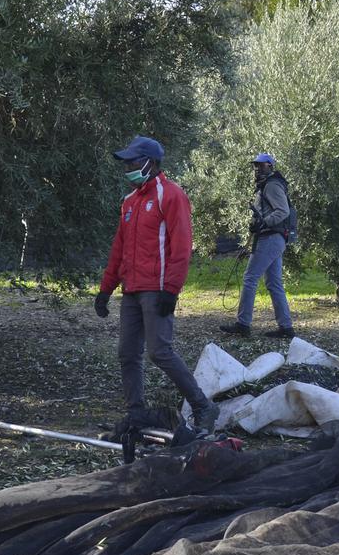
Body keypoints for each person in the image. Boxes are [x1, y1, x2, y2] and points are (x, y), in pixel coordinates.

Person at [94, 136, 219, 433]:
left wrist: (171, 290)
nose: (128, 167)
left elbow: (182, 246)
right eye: (126, 162)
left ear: (150, 162)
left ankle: (203, 406)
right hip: (132, 290)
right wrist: (105, 290)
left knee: (159, 352)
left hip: (157, 289)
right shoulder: (129, 202)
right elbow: (118, 249)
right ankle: (136, 414)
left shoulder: (170, 195)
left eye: (133, 162)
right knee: (127, 354)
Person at [219, 153, 295, 339]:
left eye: (261, 166)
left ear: (270, 166)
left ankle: (243, 324)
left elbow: (283, 211)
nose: (257, 169)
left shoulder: (271, 185)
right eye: (256, 166)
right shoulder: (268, 185)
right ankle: (286, 328)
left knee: (250, 278)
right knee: (274, 283)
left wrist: (264, 222)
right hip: (275, 238)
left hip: (270, 238)